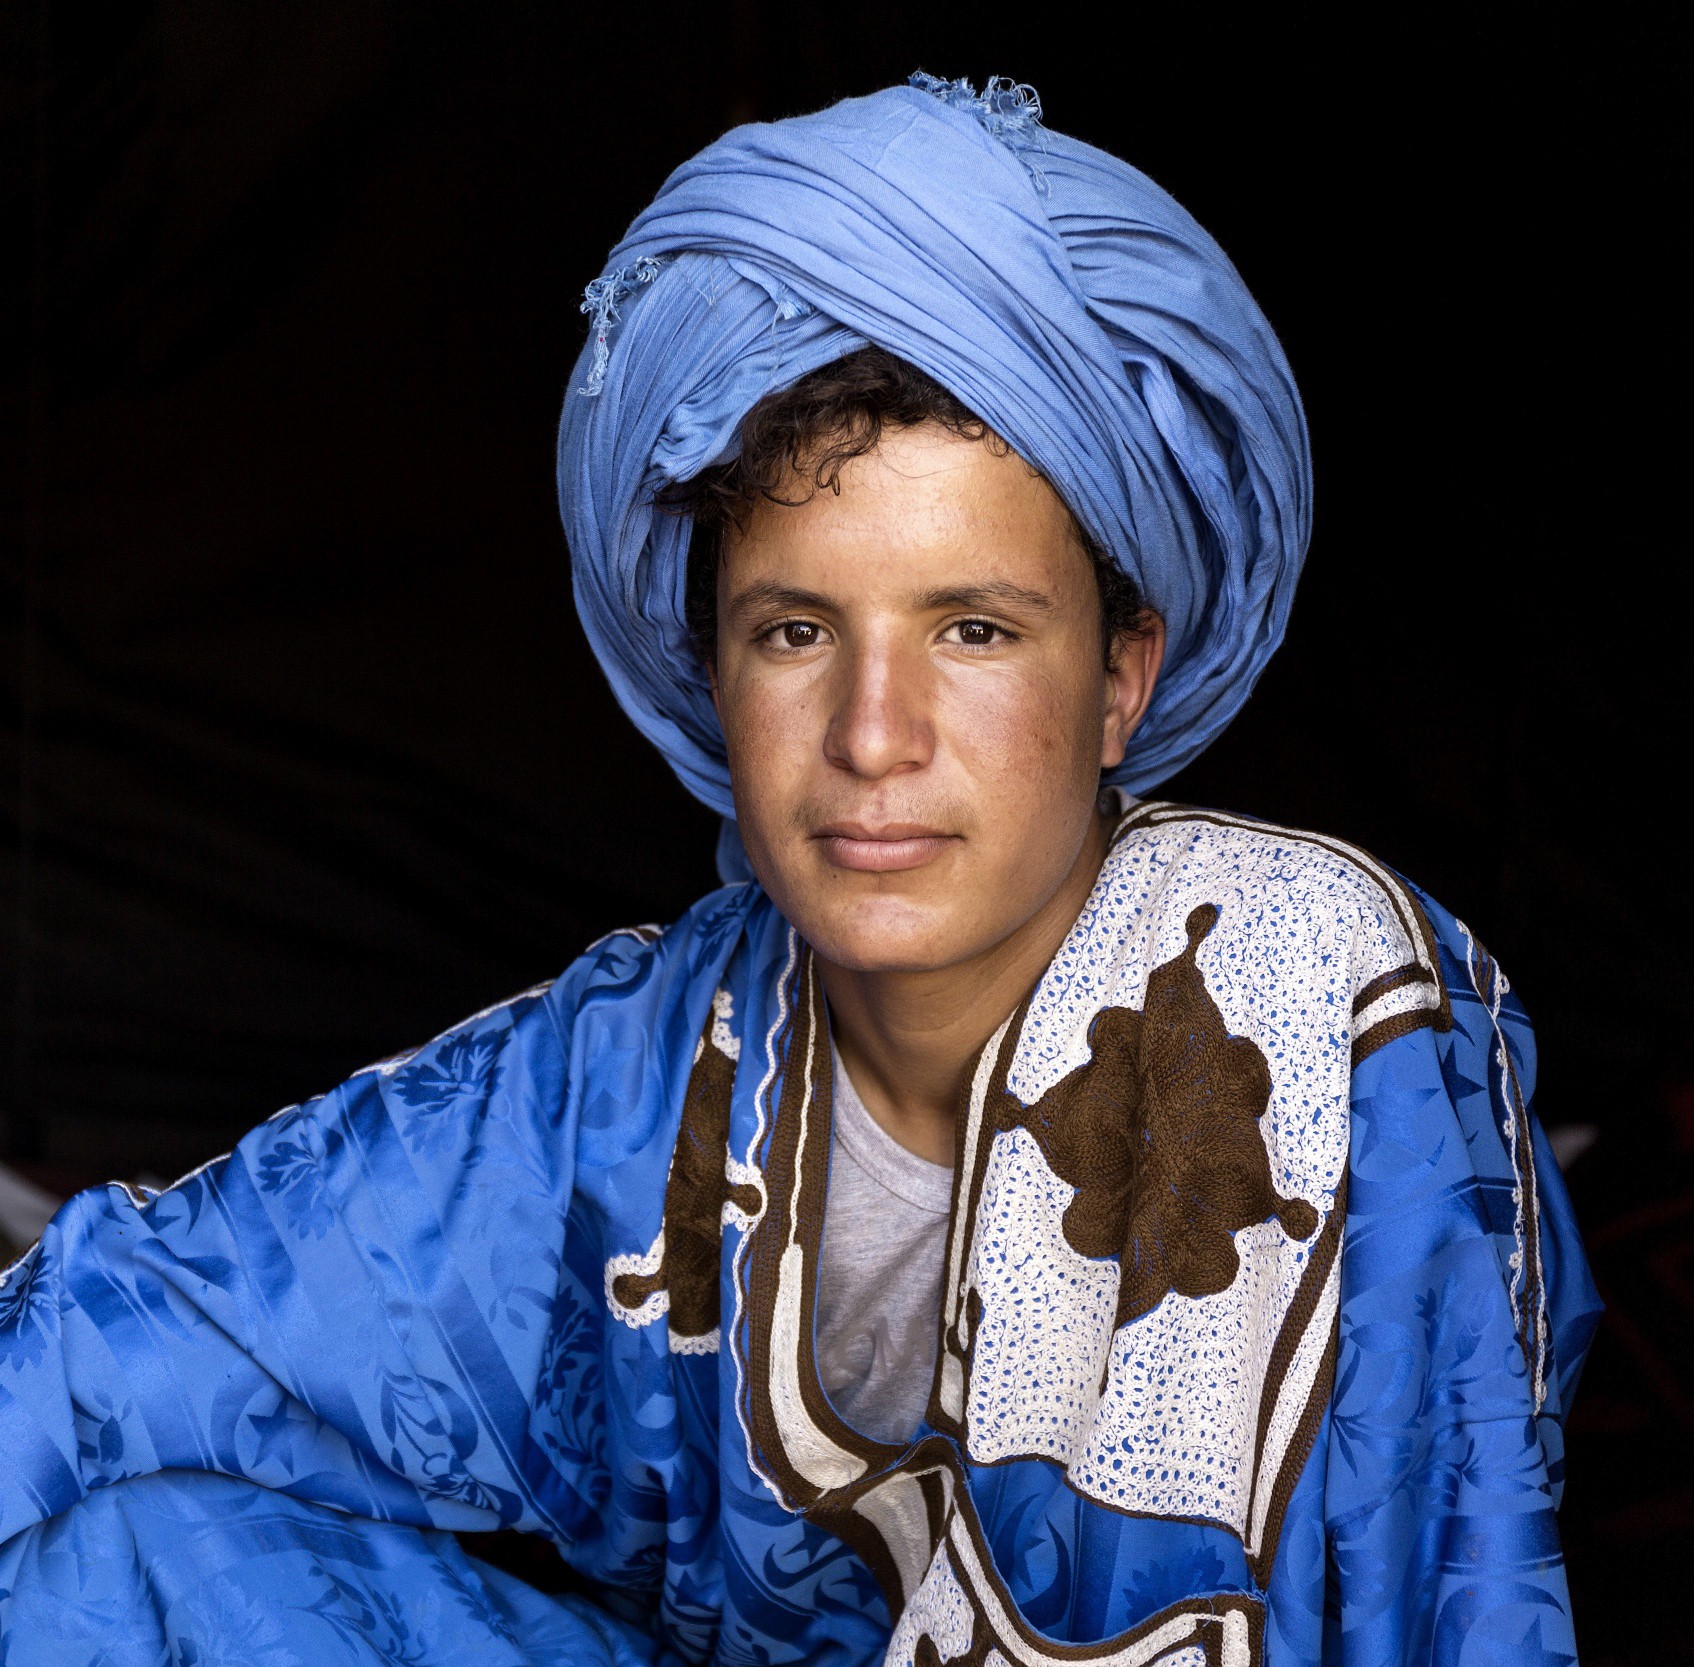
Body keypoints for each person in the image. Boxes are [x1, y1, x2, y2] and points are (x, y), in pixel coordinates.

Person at [0, 76, 1598, 1666]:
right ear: (711, 670)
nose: (872, 734)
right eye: (794, 632)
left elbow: (1457, 1599)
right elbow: (120, 1332)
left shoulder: (1300, 989)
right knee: (118, 1568)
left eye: (973, 630)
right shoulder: (629, 1073)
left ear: (1121, 676)